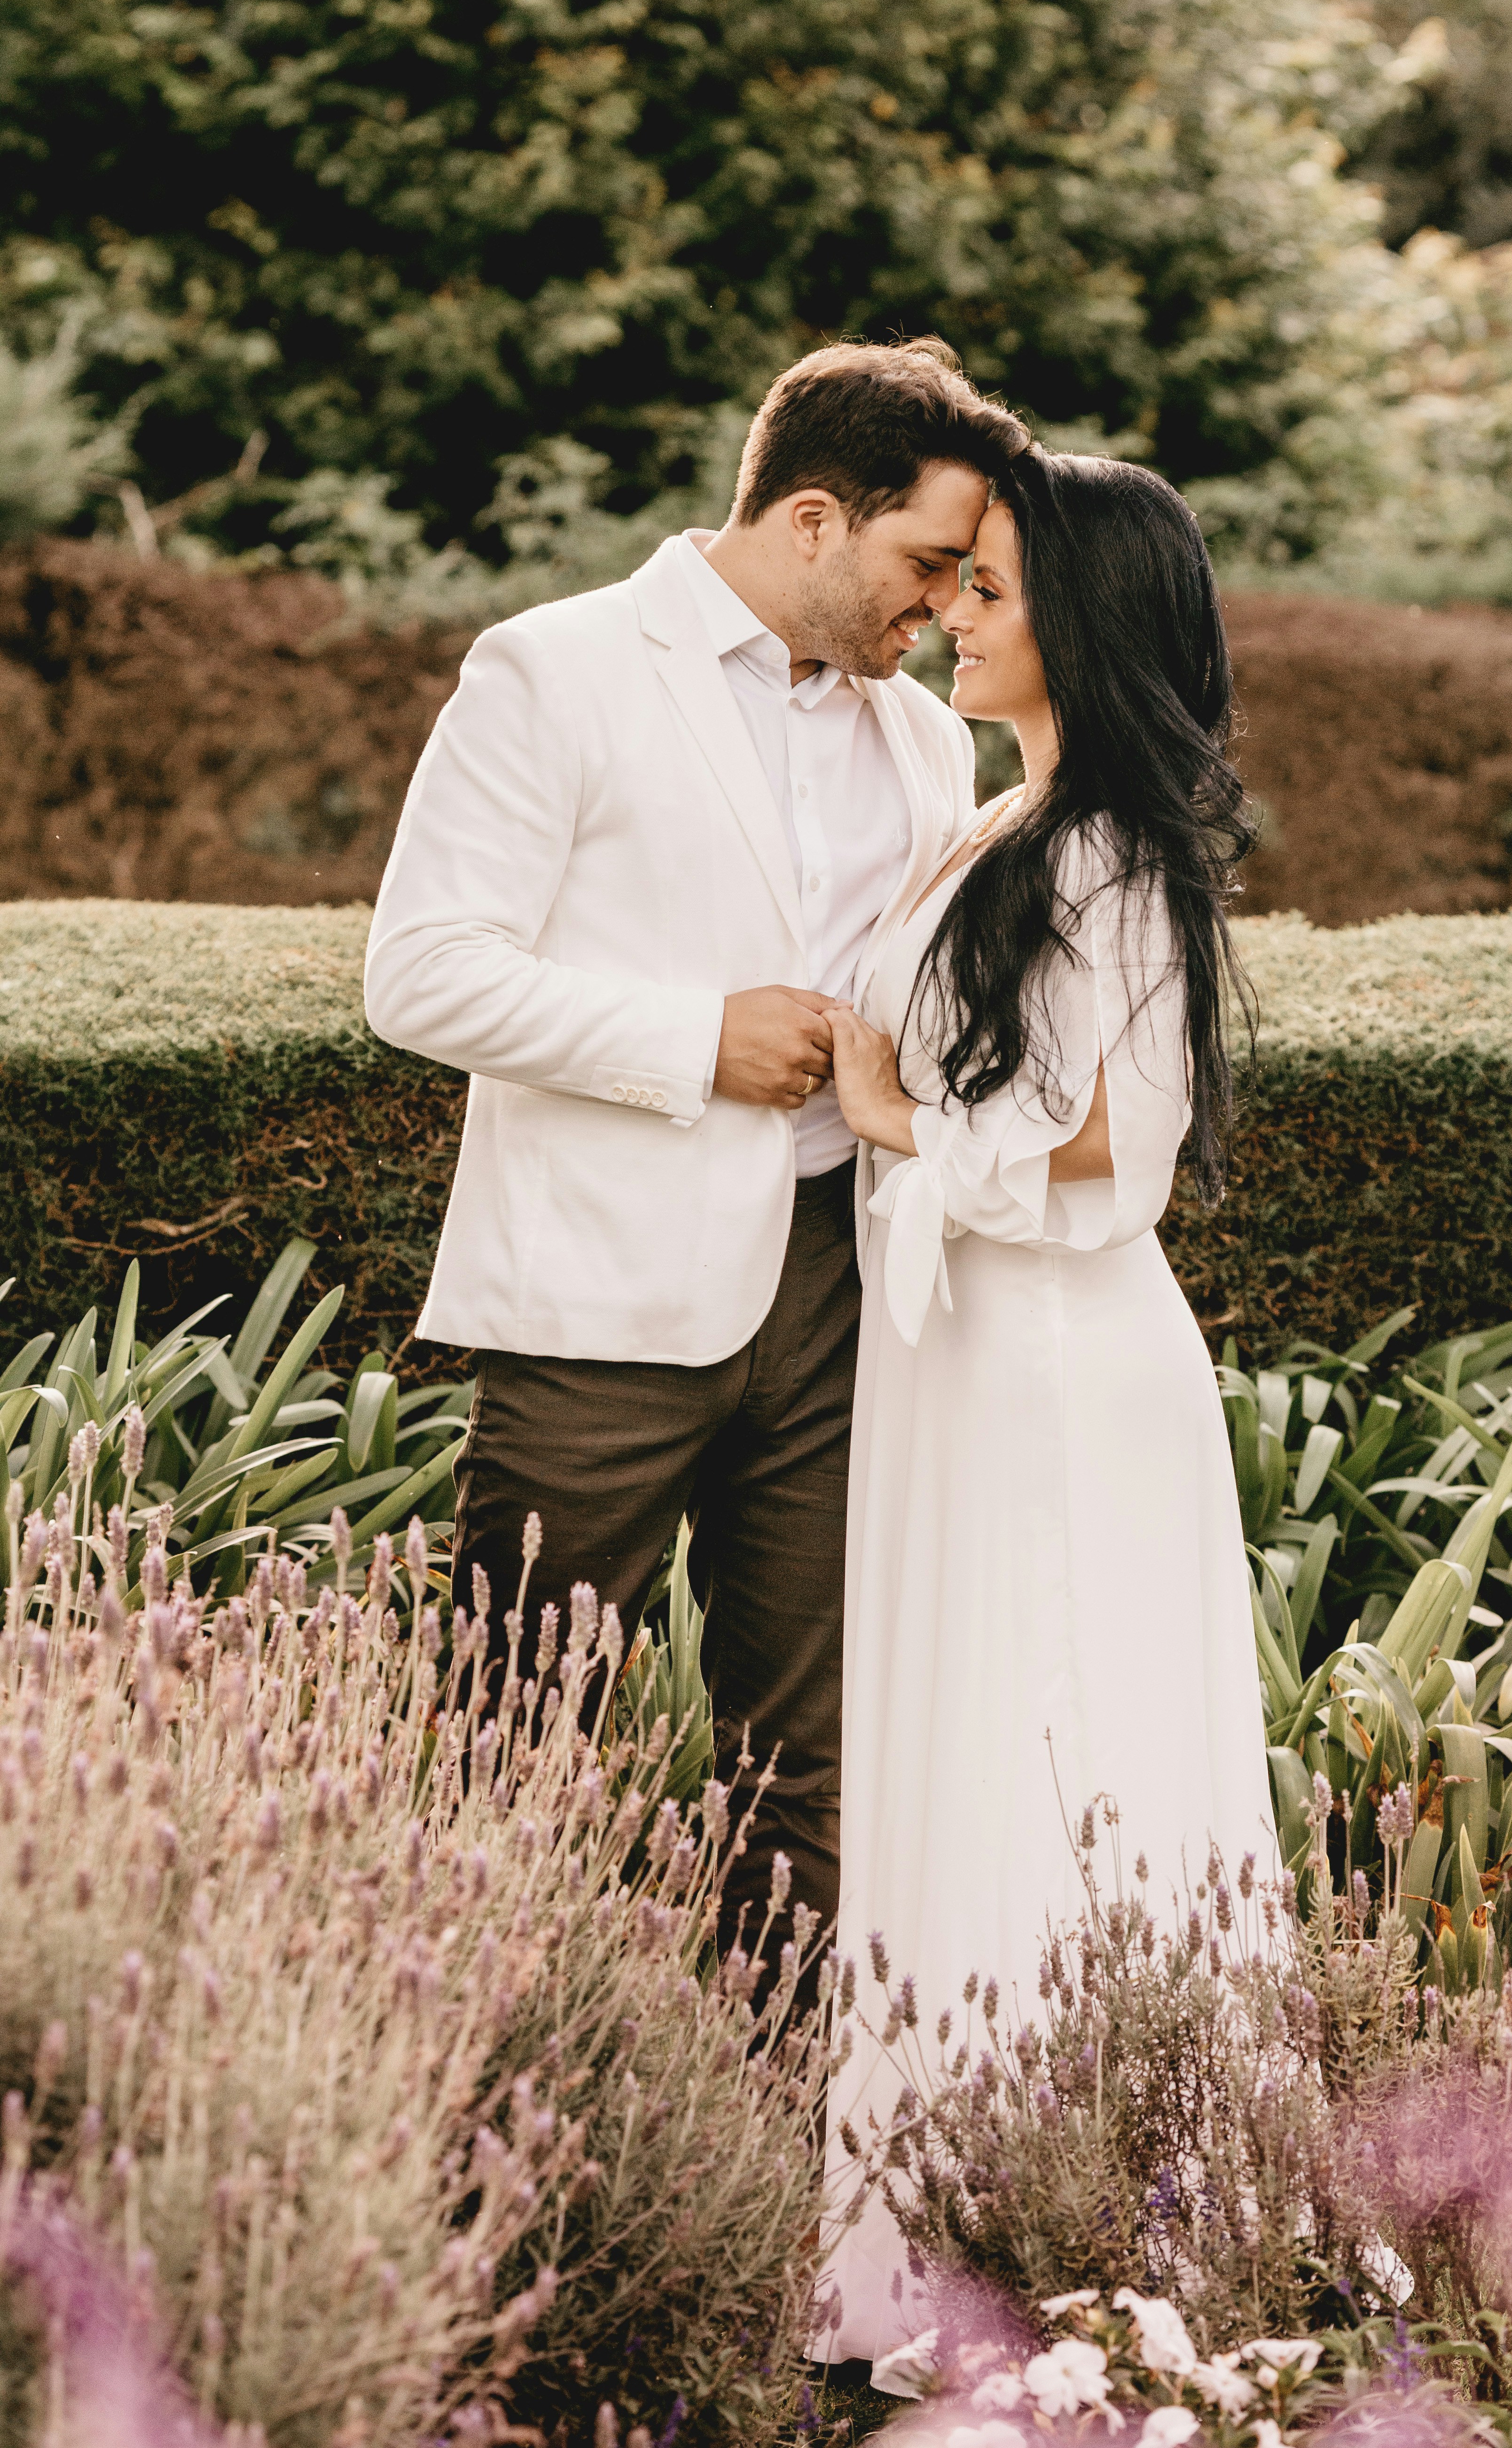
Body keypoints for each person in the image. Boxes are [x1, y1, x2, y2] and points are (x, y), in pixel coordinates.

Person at [364, 338, 1029, 1960]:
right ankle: (459, 2112)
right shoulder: (555, 670)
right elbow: (421, 972)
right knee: (508, 1738)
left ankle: (781, 2150)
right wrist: (694, 1041)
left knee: (811, 1763)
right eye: (926, 562)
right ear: (814, 519)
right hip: (602, 1308)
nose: (944, 609)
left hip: (842, 1296)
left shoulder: (929, 742)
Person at [817, 449, 1277, 2370]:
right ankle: (943, 2224)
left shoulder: (1111, 845)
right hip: (962, 1354)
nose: (956, 616)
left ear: (1078, 616)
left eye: (991, 589)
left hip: (1057, 1363)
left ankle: (1080, 2244)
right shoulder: (1005, 819)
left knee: (1053, 1740)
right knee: (966, 1734)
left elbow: (1116, 1138)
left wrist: (887, 1114)